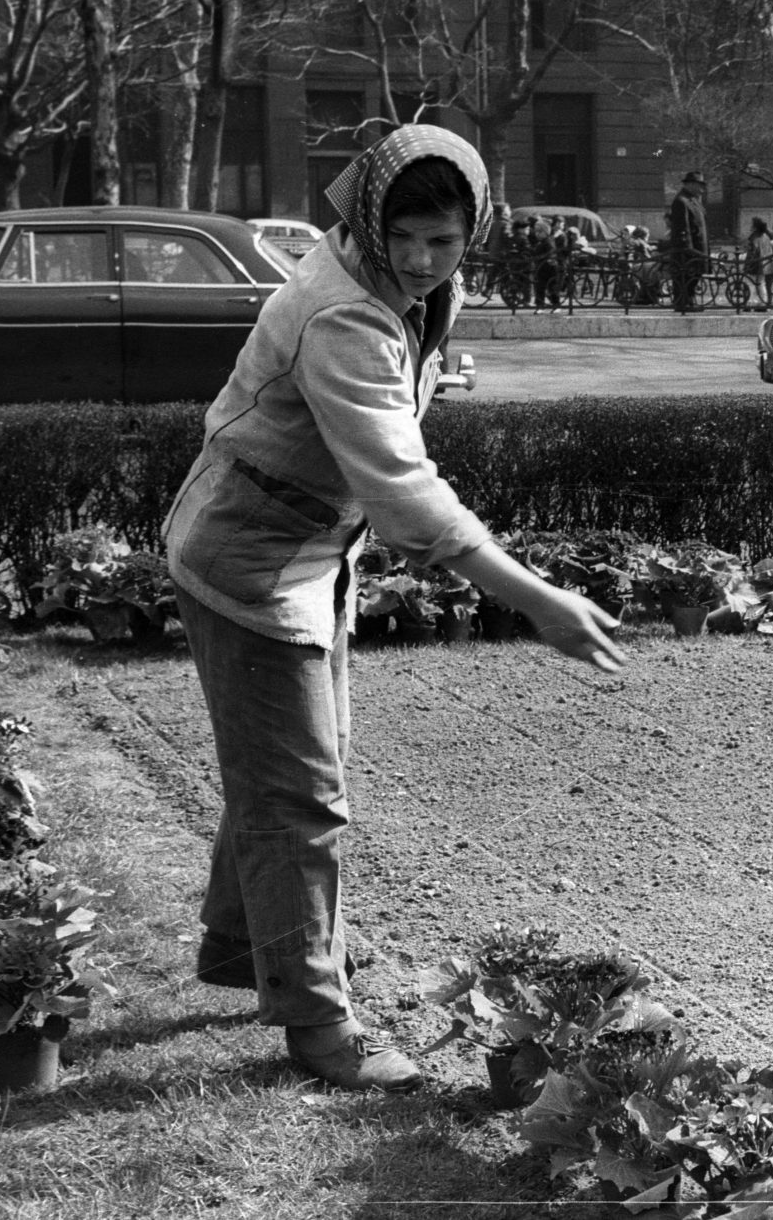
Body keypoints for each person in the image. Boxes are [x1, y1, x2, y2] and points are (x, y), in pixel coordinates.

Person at [163, 125, 628, 1093]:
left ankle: (243, 945)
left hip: (307, 549)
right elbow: (403, 490)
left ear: (473, 233)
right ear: (370, 220)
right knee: (301, 795)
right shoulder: (343, 312)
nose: (419, 259)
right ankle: (316, 1022)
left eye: (443, 241)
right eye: (404, 238)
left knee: (290, 766)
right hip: (250, 557)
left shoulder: (402, 289)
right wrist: (538, 599)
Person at [666, 171, 709, 312]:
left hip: (699, 247)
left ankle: (689, 301)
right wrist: (688, 248)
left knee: (694, 276)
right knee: (686, 276)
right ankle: (683, 303)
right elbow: (682, 227)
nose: (702, 189)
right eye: (699, 185)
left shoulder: (694, 200)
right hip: (689, 250)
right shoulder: (681, 201)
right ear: (690, 184)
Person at [744, 217, 773, 311]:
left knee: (751, 283)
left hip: (756, 264)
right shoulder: (765, 236)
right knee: (761, 283)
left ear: (755, 227)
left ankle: (749, 303)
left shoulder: (755, 237)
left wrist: (748, 263)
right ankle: (762, 303)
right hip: (765, 263)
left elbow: (753, 251)